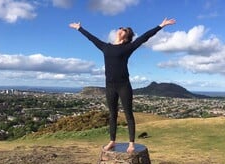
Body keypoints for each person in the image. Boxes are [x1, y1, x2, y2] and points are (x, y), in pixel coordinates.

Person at [69, 18, 176, 153]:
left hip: (123, 85)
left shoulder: (127, 47)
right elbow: (92, 38)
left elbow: (144, 38)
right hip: (110, 86)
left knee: (128, 114)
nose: (121, 29)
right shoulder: (105, 47)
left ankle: (131, 143)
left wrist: (161, 26)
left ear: (126, 36)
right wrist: (79, 28)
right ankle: (112, 141)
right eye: (121, 28)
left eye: (124, 29)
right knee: (112, 114)